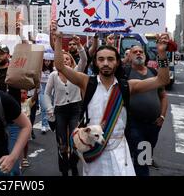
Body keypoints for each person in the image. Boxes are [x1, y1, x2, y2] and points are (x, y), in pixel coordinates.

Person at [50, 20, 171, 176]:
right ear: (95, 62)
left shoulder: (127, 85)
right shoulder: (87, 82)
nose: (106, 63)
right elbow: (60, 66)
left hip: (121, 148)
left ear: (117, 62)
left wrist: (161, 52)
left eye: (110, 59)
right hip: (95, 149)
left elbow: (162, 80)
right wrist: (58, 39)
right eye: (101, 59)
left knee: (142, 164)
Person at [44, 35, 87, 176]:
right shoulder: (53, 76)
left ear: (71, 61)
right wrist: (50, 109)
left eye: (67, 58)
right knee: (61, 143)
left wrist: (80, 45)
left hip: (75, 109)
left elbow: (85, 59)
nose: (65, 60)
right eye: (62, 59)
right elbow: (46, 94)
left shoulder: (76, 72)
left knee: (75, 140)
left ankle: (73, 165)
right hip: (60, 111)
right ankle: (63, 170)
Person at [125, 45, 169, 176]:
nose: (138, 53)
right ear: (129, 56)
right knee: (142, 158)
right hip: (134, 124)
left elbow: (163, 96)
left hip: (154, 125)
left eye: (141, 51)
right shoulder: (125, 73)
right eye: (135, 52)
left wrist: (162, 116)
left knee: (145, 154)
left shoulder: (154, 72)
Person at [20, 88, 38, 169]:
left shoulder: (28, 102)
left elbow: (34, 98)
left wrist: (36, 89)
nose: (23, 95)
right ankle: (19, 159)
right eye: (21, 93)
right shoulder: (16, 103)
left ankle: (24, 158)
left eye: (25, 93)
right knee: (19, 144)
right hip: (19, 127)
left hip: (26, 128)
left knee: (26, 144)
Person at [39, 56, 54, 134]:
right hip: (42, 89)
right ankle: (43, 125)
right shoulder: (39, 69)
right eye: (46, 61)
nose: (47, 62)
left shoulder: (53, 70)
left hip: (51, 90)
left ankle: (48, 123)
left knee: (50, 108)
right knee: (43, 108)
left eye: (49, 61)